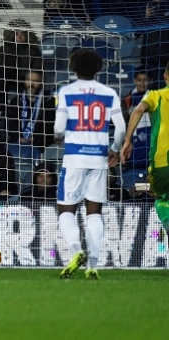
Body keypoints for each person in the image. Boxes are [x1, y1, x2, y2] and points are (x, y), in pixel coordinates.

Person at [54, 48, 125, 280]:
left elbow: (58, 128)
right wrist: (115, 149)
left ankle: (76, 251)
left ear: (73, 67)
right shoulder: (109, 93)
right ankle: (92, 266)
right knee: (94, 214)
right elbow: (121, 128)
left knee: (66, 211)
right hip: (98, 159)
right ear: (98, 68)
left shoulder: (67, 92)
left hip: (74, 159)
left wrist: (59, 135)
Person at [121, 61, 169, 239]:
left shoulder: (155, 96)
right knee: (150, 189)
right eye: (139, 80)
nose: (142, 83)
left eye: (145, 80)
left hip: (159, 158)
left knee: (158, 194)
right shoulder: (128, 99)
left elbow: (139, 109)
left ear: (164, 77)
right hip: (144, 159)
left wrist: (127, 140)